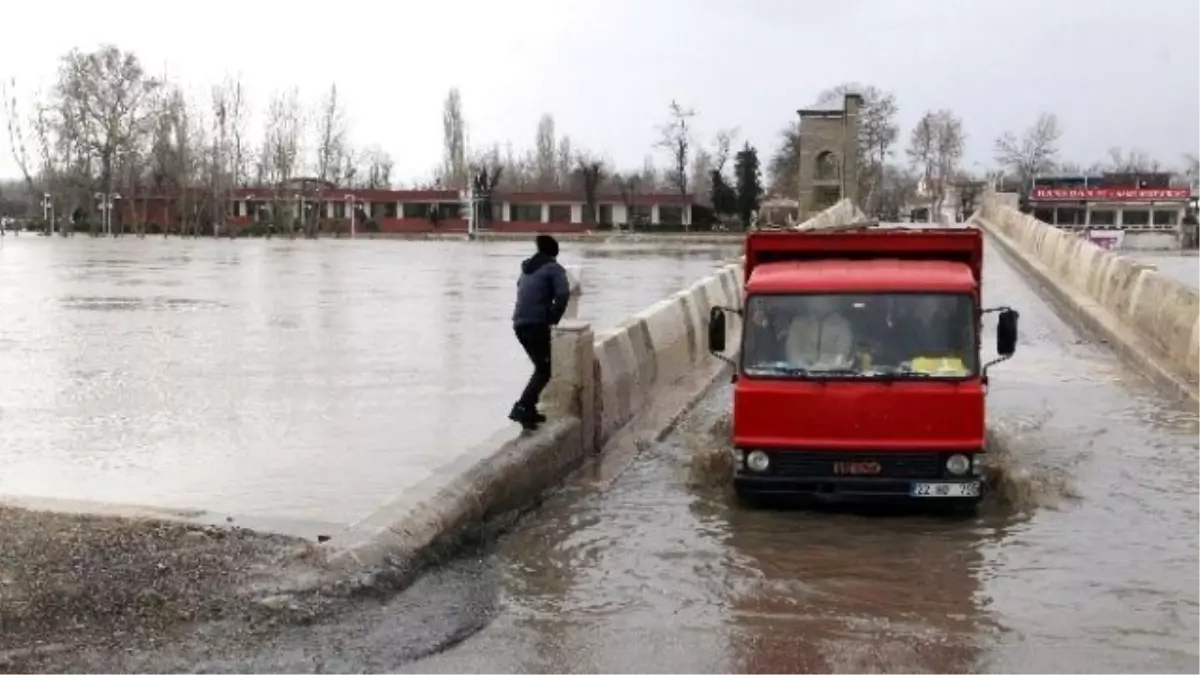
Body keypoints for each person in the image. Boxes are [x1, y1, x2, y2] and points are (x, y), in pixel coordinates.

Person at [510, 235, 571, 430]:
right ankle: (523, 407)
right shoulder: (554, 269)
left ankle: (529, 408)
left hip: (519, 324)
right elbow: (563, 294)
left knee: (540, 366)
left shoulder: (527, 270)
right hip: (536, 324)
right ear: (555, 252)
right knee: (545, 369)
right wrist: (553, 317)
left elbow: (521, 290)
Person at [784, 295, 855, 367]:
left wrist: (826, 367)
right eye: (814, 300)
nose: (819, 304)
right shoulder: (799, 323)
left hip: (832, 373)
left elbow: (842, 353)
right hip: (800, 373)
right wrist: (804, 367)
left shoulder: (842, 325)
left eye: (825, 301)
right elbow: (792, 351)